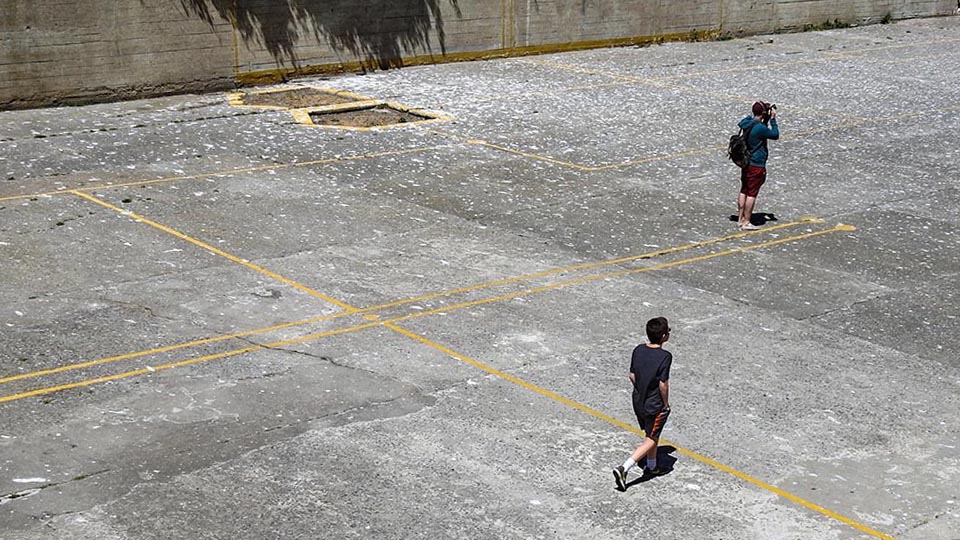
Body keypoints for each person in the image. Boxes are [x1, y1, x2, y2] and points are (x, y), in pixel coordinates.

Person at [613, 316, 673, 491]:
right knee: (651, 438)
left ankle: (652, 466)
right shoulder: (665, 356)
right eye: (668, 331)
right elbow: (663, 384)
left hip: (638, 400)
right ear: (663, 336)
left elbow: (632, 375)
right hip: (654, 404)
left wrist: (642, 389)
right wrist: (666, 403)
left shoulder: (638, 350)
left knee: (652, 431)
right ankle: (624, 467)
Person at [737, 101, 779, 230]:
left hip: (746, 162)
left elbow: (745, 121)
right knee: (752, 193)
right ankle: (747, 221)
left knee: (744, 189)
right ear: (763, 113)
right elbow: (775, 135)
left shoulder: (747, 123)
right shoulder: (760, 128)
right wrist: (773, 120)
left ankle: (740, 218)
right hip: (757, 164)